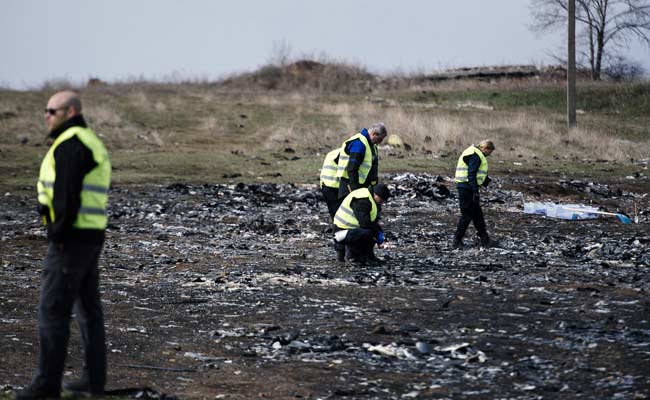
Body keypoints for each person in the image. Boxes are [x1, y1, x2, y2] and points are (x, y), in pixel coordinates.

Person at [18, 91, 111, 399]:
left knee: (52, 310)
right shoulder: (88, 140)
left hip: (71, 241)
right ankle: (94, 380)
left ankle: (46, 385)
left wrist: (57, 234)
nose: (46, 115)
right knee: (88, 310)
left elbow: (67, 195)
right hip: (90, 236)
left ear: (70, 111)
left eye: (52, 110)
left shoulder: (71, 144)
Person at [452, 140, 495, 248]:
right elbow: (471, 173)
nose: (490, 155)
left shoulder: (474, 152)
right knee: (467, 215)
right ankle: (457, 240)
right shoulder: (476, 155)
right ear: (485, 148)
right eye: (490, 152)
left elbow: (475, 172)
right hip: (466, 188)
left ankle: (485, 239)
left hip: (467, 186)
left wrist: (485, 182)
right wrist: (475, 190)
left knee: (477, 214)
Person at [333, 183, 391, 263]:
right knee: (368, 233)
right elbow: (365, 223)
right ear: (376, 194)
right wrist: (377, 233)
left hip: (350, 230)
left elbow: (372, 221)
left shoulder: (370, 198)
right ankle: (352, 257)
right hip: (341, 232)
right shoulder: (362, 200)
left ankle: (367, 256)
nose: (382, 202)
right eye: (382, 199)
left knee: (371, 232)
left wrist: (379, 231)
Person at [336, 123, 388, 200]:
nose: (380, 142)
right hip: (351, 186)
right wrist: (355, 191)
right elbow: (352, 169)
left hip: (363, 186)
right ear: (374, 134)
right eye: (380, 139)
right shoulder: (359, 144)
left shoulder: (372, 145)